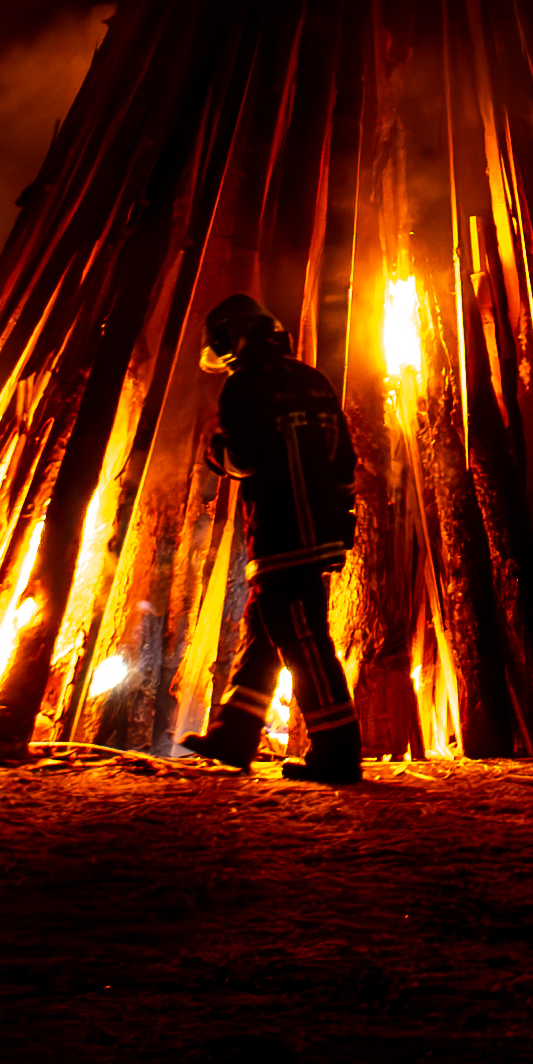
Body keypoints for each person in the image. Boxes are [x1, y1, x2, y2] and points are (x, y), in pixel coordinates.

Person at [180, 295, 362, 784]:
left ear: (229, 343)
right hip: (319, 529)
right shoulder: (313, 379)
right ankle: (235, 733)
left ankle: (338, 750)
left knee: (304, 640)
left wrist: (215, 452)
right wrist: (339, 518)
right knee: (265, 633)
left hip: (283, 533)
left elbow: (248, 456)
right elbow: (343, 458)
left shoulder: (244, 387)